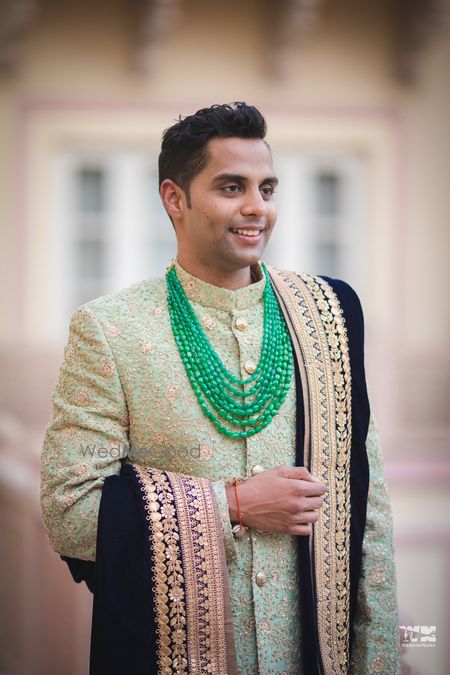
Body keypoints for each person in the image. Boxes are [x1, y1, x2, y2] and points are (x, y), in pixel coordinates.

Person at [40, 102, 400, 674]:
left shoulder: (327, 315)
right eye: (232, 187)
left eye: (267, 188)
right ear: (174, 199)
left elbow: (368, 513)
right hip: (172, 655)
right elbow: (70, 513)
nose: (257, 208)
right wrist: (231, 505)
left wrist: (375, 663)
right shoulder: (111, 329)